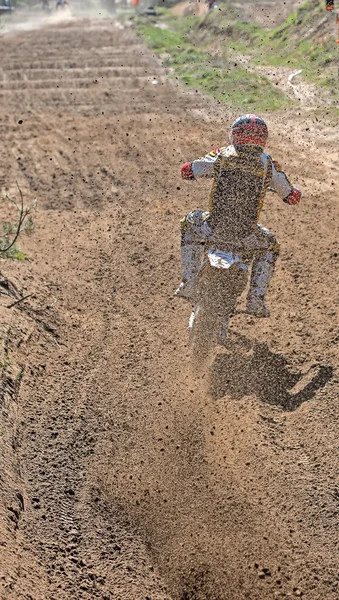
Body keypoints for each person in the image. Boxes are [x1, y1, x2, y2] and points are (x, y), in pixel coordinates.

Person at [175, 114, 301, 318]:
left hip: (212, 227)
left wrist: (188, 170)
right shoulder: (268, 163)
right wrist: (294, 194)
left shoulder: (222, 154)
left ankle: (189, 283)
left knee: (187, 224)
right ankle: (255, 301)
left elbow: (188, 171)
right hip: (247, 235)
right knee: (271, 247)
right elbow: (290, 195)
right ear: (263, 138)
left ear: (235, 134)